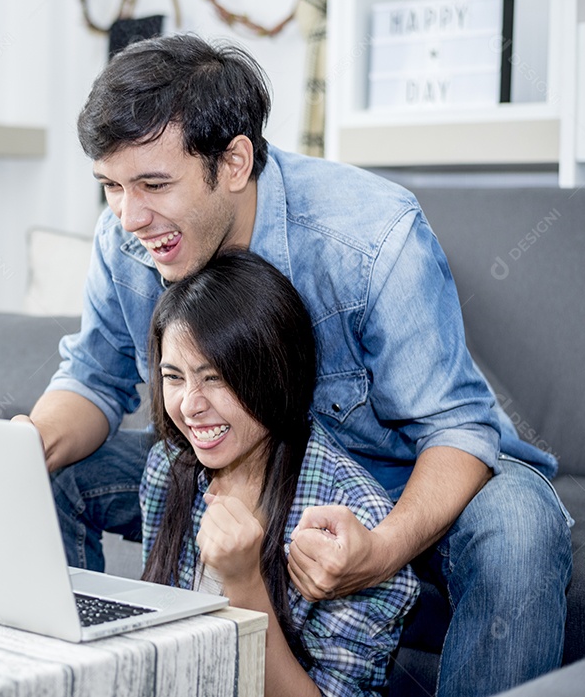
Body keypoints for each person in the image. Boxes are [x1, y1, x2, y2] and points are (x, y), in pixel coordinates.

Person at [18, 32, 572, 697]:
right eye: (111, 186)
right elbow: (93, 378)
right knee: (52, 472)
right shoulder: (129, 238)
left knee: (519, 526)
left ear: (234, 161)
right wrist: (21, 448)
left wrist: (380, 548)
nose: (129, 215)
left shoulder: (371, 237)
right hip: (247, 458)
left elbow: (455, 427)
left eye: (153, 184)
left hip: (402, 470)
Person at [142, 249, 418, 696]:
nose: (190, 406)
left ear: (275, 372)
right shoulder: (167, 471)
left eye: (214, 378)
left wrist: (244, 581)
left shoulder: (354, 525)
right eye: (174, 377)